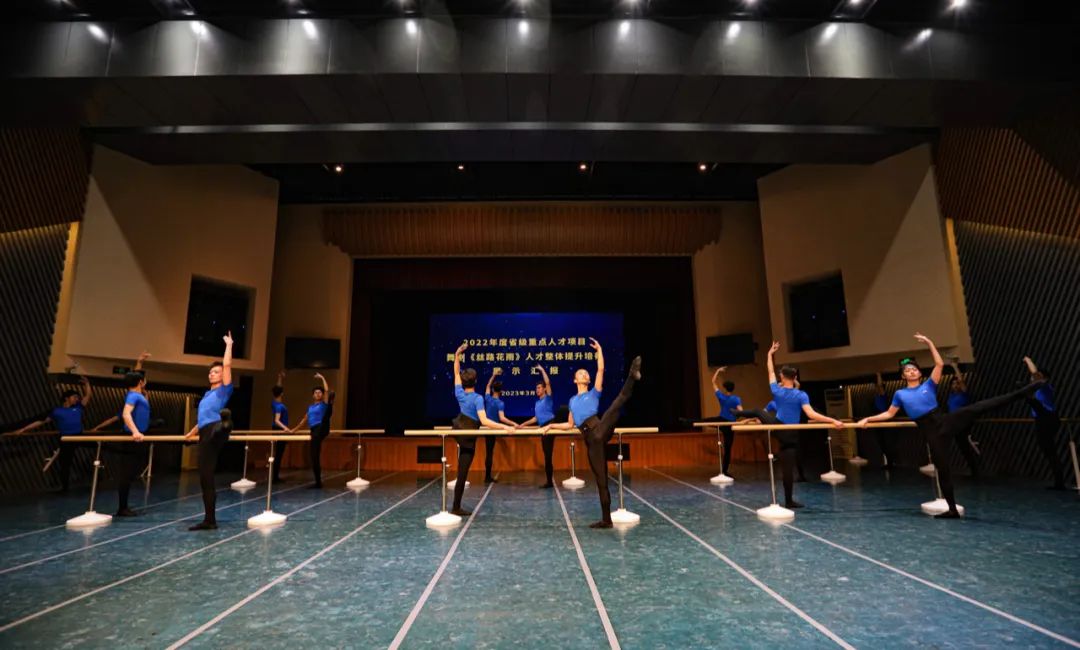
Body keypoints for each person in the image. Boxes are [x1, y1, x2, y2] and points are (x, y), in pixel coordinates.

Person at [858, 333, 1043, 518]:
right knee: (943, 469)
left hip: (943, 421)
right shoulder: (900, 394)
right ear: (903, 376)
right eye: (907, 370)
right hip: (930, 431)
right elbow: (889, 414)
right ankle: (952, 509)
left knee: (978, 407)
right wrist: (868, 419)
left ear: (920, 373)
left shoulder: (929, 384)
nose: (911, 371)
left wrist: (929, 342)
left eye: (914, 369)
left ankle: (1025, 391)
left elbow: (939, 364)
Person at [542, 339, 642, 528]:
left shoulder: (594, 393)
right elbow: (570, 424)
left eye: (586, 373)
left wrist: (600, 350)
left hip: (600, 428)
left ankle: (632, 376)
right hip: (591, 441)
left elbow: (600, 369)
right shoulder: (572, 401)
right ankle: (606, 520)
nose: (584, 374)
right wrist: (551, 426)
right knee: (601, 481)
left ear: (588, 380)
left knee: (615, 405)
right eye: (581, 373)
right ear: (575, 380)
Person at [733, 341, 843, 509]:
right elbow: (811, 414)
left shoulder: (777, 391)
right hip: (792, 434)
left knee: (757, 411)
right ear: (795, 378)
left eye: (780, 375)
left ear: (783, 378)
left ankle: (737, 413)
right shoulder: (801, 394)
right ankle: (789, 501)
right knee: (787, 470)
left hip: (780, 428)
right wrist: (833, 421)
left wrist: (769, 354)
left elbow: (770, 371)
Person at [450, 343, 514, 515]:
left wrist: (457, 354)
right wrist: (505, 427)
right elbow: (485, 421)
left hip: (459, 429)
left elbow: (456, 372)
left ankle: (456, 506)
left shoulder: (459, 393)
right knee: (462, 473)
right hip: (468, 435)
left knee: (462, 472)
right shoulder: (478, 398)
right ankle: (455, 507)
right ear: (475, 381)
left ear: (463, 381)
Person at [184, 333, 235, 530]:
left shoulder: (224, 390)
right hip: (205, 432)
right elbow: (202, 419)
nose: (212, 374)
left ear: (222, 375)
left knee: (218, 429)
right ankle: (210, 520)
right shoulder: (207, 395)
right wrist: (191, 433)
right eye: (211, 372)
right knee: (206, 477)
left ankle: (226, 424)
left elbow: (227, 365)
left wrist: (228, 345)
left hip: (215, 428)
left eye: (216, 372)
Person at [15, 372, 92, 492]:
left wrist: (87, 384)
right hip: (66, 439)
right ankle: (65, 488)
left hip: (79, 436)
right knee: (65, 464)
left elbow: (88, 396)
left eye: (77, 397)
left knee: (99, 444)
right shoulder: (57, 411)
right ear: (67, 398)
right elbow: (41, 421)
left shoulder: (78, 408)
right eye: (74, 397)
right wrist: (24, 429)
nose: (77, 399)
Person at [1024, 356, 1066, 490]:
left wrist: (1028, 361)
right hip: (1043, 419)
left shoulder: (1045, 387)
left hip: (1047, 418)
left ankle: (1059, 482)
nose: (1033, 379)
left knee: (1050, 451)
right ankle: (1058, 481)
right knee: (1048, 450)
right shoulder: (1038, 390)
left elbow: (1035, 374)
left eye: (1037, 377)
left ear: (1044, 378)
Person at [115, 370, 151, 516]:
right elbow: (126, 414)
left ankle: (123, 507)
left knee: (130, 473)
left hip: (139, 436)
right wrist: (135, 432)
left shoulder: (138, 394)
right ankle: (122, 508)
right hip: (132, 437)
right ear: (141, 382)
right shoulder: (133, 395)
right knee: (126, 473)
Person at [289, 372, 332, 488]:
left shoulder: (323, 404)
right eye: (316, 393)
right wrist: (293, 430)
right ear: (313, 395)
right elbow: (303, 420)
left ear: (322, 395)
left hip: (321, 427)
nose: (318, 394)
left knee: (314, 455)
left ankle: (318, 483)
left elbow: (327, 390)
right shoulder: (310, 407)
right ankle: (318, 482)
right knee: (314, 456)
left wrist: (322, 377)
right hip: (314, 430)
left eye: (319, 392)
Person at [518, 365, 557, 488]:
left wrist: (542, 370)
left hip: (549, 425)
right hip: (542, 426)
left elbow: (548, 382)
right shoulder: (537, 403)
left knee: (548, 455)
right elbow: (536, 418)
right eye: (536, 388)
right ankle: (549, 481)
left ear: (544, 389)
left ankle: (549, 482)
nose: (537, 390)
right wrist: (523, 424)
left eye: (539, 388)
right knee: (546, 455)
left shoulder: (548, 398)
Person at [482, 369, 519, 484]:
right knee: (489, 453)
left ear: (493, 390)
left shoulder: (487, 398)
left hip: (487, 428)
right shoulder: (500, 403)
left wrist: (493, 375)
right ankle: (487, 477)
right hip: (493, 429)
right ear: (501, 391)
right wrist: (514, 424)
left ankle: (487, 476)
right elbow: (502, 418)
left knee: (489, 452)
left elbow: (487, 385)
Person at [947, 357, 981, 477]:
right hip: (955, 424)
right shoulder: (951, 396)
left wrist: (955, 367)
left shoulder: (963, 394)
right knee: (962, 447)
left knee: (966, 446)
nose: (955, 385)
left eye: (957, 384)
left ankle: (975, 469)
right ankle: (973, 468)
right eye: (953, 384)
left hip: (963, 423)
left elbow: (961, 381)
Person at [271, 370, 290, 483]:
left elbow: (277, 389)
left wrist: (280, 378)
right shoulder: (279, 406)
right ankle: (275, 477)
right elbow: (277, 420)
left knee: (278, 454)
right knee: (278, 454)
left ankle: (275, 476)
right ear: (282, 394)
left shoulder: (274, 402)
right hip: (279, 429)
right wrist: (285, 428)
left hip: (277, 429)